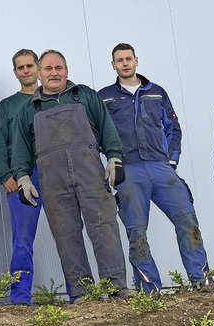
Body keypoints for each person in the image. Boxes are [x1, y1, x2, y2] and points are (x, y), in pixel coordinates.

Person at [12, 49, 129, 303]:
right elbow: (21, 149)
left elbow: (107, 127)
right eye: (48, 69)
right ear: (40, 73)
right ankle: (82, 293)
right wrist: (23, 179)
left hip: (90, 175)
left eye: (59, 68)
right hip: (53, 182)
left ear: (66, 70)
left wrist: (114, 158)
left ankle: (117, 287)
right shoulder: (28, 109)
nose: (54, 73)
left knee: (104, 228)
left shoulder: (84, 95)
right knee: (66, 236)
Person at [99, 43, 214, 292]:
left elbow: (174, 128)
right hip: (128, 170)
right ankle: (150, 290)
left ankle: (202, 281)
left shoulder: (157, 92)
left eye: (129, 58)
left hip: (161, 167)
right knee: (137, 232)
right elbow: (98, 133)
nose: (125, 63)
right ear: (113, 65)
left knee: (187, 220)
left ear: (136, 60)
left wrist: (171, 161)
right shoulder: (104, 97)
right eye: (120, 60)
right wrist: (111, 159)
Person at [0, 49, 46, 305]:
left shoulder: (54, 99)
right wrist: (4, 175)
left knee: (69, 235)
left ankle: (78, 293)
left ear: (39, 67)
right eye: (20, 67)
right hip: (22, 177)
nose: (26, 70)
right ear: (15, 72)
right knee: (22, 238)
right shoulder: (7, 106)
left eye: (30, 65)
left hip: (54, 173)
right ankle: (20, 297)